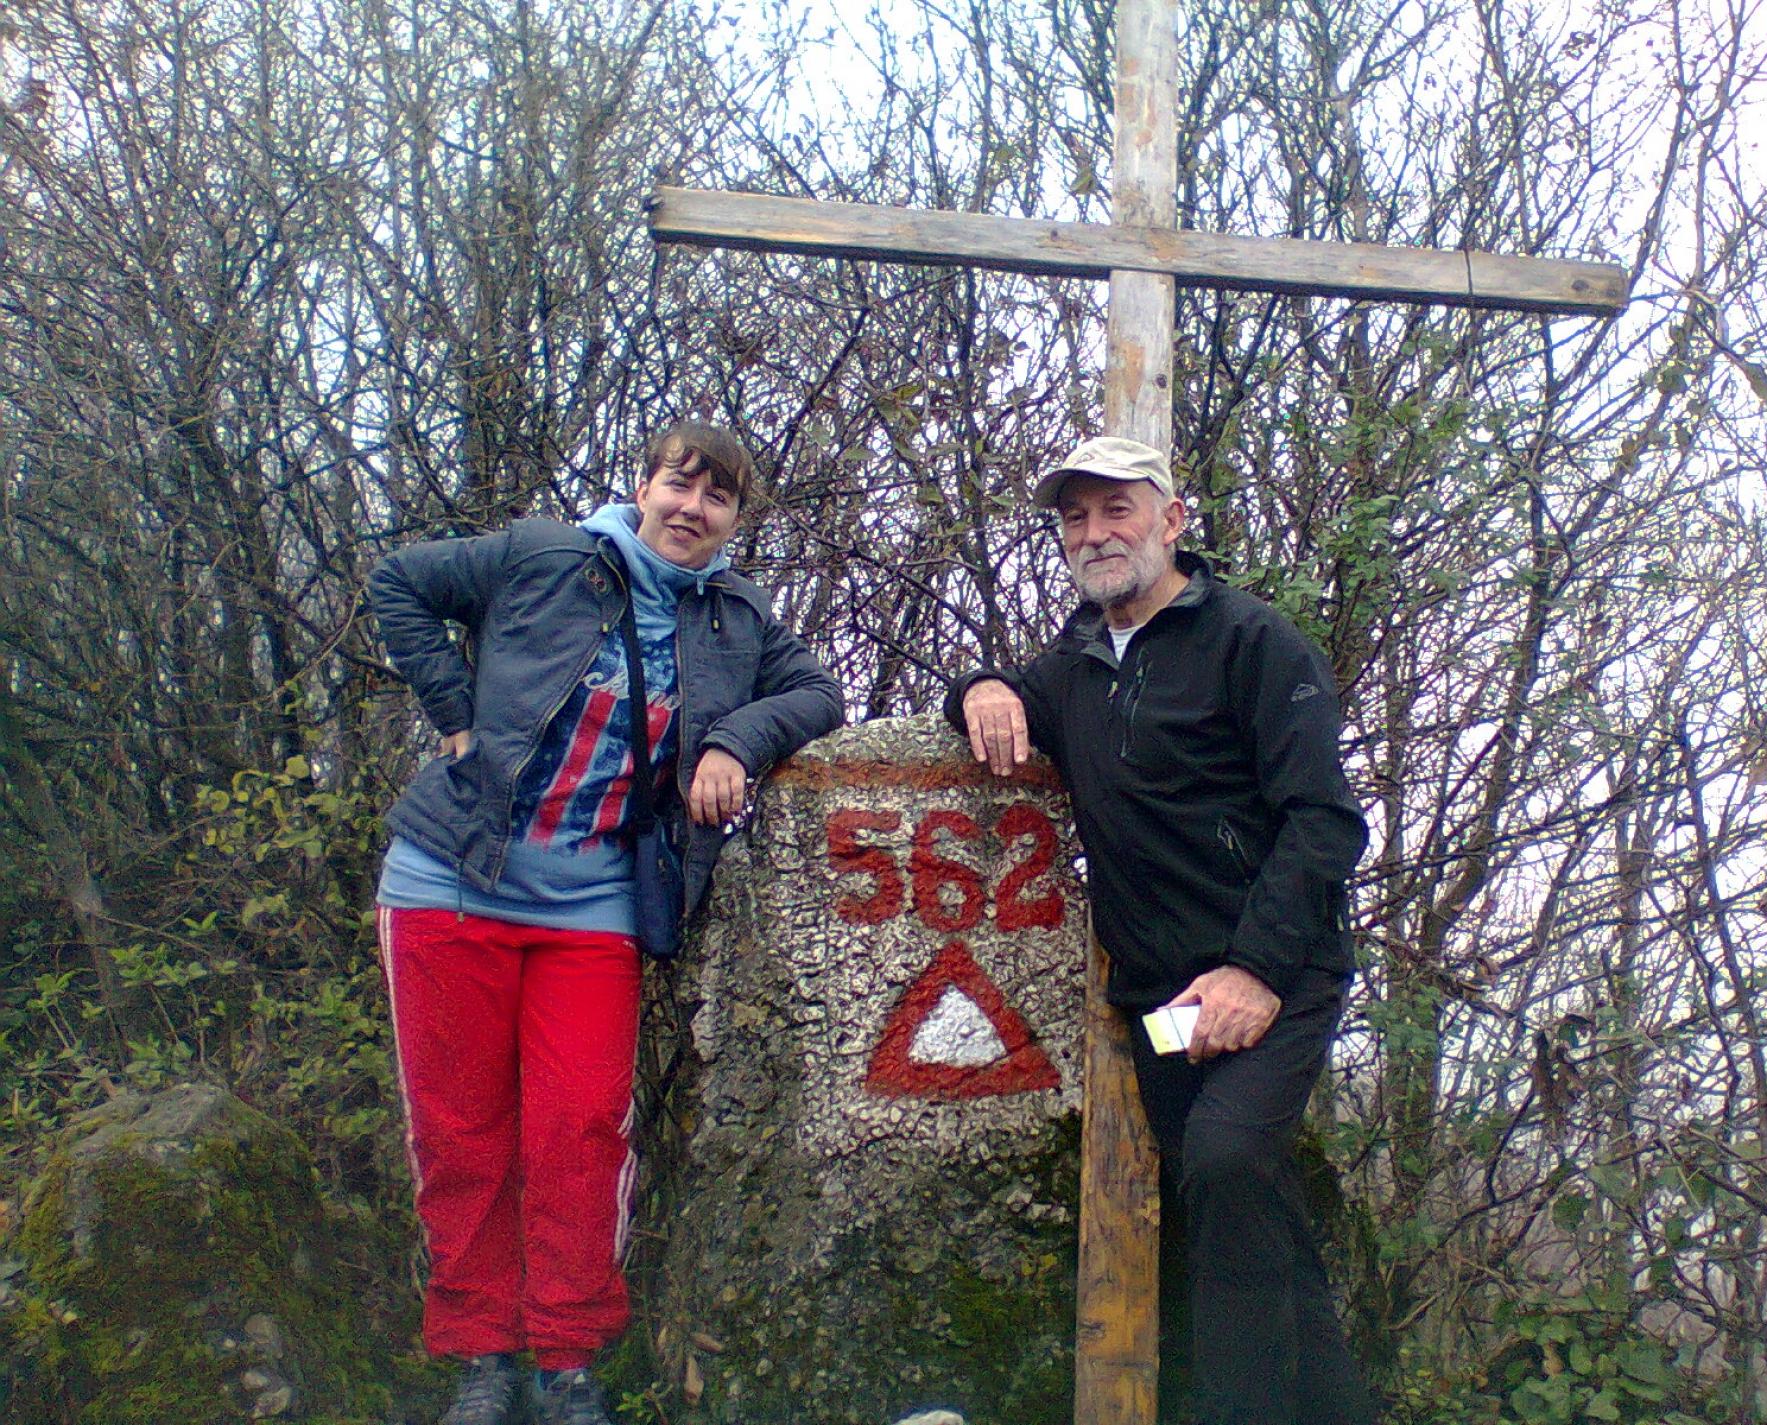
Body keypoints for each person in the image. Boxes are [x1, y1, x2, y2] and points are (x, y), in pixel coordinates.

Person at [369, 423, 844, 1425]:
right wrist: (453, 712)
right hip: (450, 883)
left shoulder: (736, 614)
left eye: (718, 497)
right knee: (460, 1133)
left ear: (736, 519)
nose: (692, 508)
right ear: (643, 485)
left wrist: (733, 740)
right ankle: (481, 1356)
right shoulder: (545, 554)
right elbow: (399, 581)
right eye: (679, 484)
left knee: (580, 1131)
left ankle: (566, 1359)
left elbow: (815, 692)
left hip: (593, 903)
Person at [945, 436, 1376, 1425]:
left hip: (1275, 977)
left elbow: (1324, 820)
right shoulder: (1074, 666)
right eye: (1075, 517)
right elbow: (995, 692)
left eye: (1117, 510)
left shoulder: (1253, 642)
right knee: (1238, 1207)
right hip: (1160, 1001)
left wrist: (1255, 971)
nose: (1094, 533)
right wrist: (980, 687)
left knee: (1226, 1159)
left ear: (1172, 520)